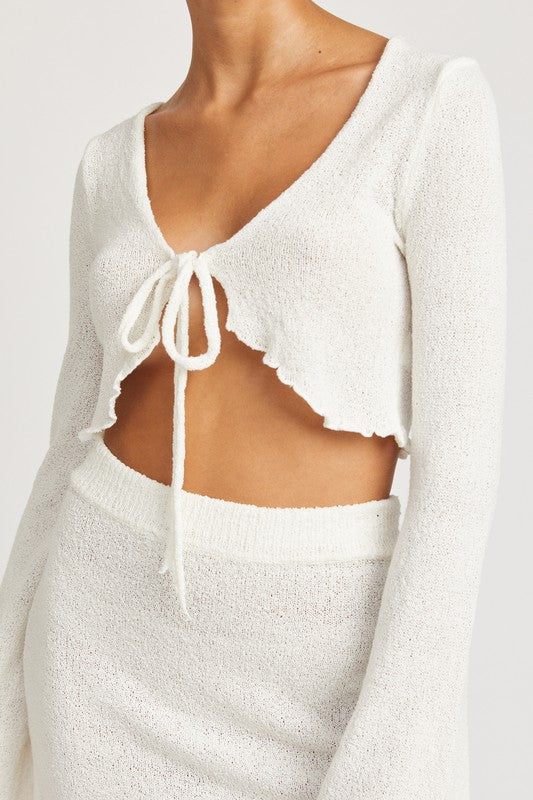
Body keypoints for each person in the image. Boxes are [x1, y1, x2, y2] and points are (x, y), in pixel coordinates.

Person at [0, 2, 506, 798]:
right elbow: (68, 446)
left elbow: (458, 480)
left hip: (321, 678)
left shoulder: (423, 108)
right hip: (97, 649)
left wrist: (390, 767)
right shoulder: (110, 163)